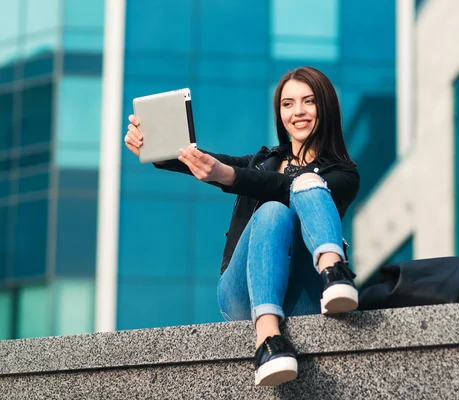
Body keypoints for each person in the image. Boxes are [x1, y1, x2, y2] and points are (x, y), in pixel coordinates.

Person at [124, 66, 360, 386]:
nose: (298, 112)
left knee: (304, 185)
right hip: (242, 291)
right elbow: (209, 161)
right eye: (288, 104)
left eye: (309, 101)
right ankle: (267, 340)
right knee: (273, 211)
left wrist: (228, 176)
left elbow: (277, 186)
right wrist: (156, 147)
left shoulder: (344, 174)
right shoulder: (262, 162)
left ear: (326, 107)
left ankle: (334, 272)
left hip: (306, 292)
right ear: (279, 113)